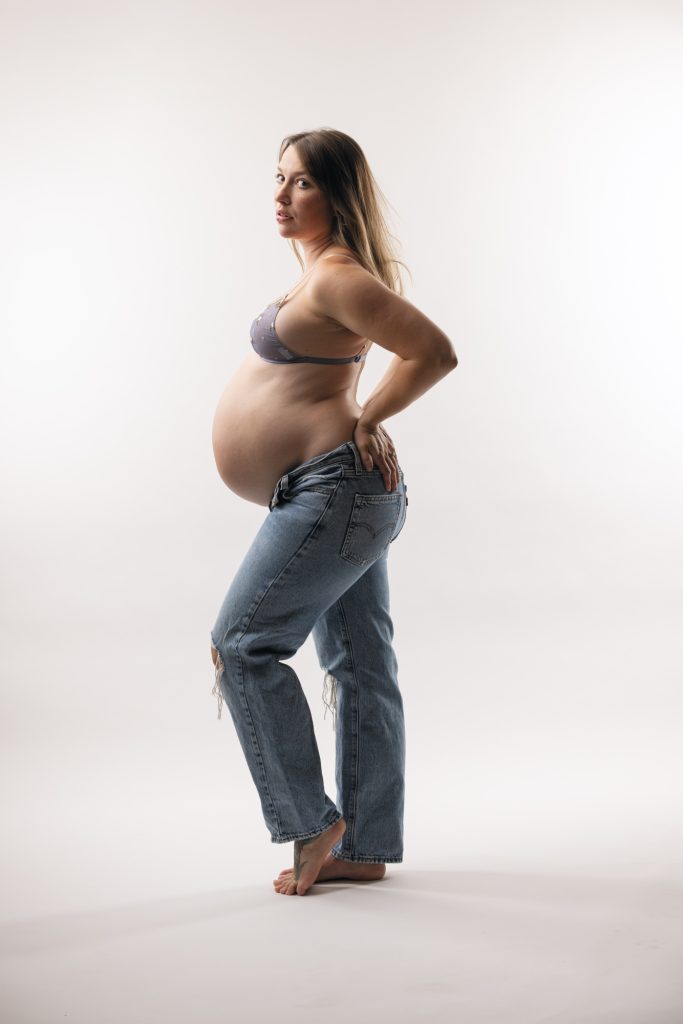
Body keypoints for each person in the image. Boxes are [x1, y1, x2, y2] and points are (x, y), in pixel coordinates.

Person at [209, 127, 458, 896]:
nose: (282, 197)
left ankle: (313, 824)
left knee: (243, 643)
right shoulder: (316, 275)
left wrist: (368, 415)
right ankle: (367, 842)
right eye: (279, 180)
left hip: (335, 492)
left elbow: (433, 350)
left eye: (302, 183)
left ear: (338, 193)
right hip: (342, 497)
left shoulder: (336, 277)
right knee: (360, 665)